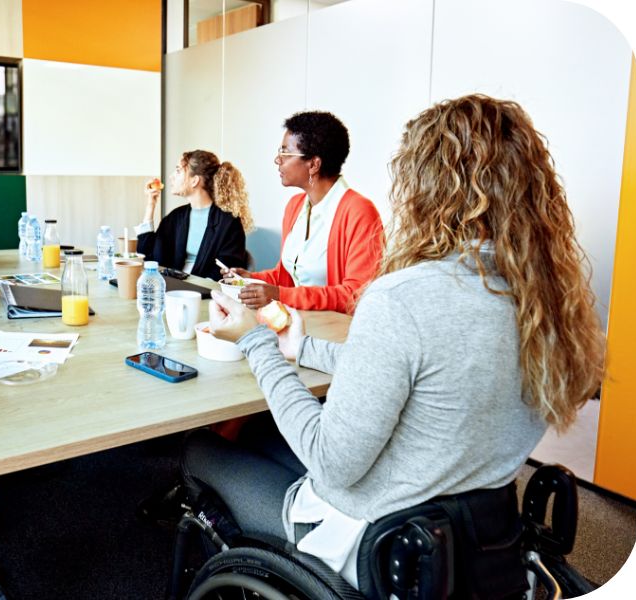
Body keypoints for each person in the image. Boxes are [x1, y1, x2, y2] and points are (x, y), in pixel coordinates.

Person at [186, 94, 605, 588]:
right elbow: (425, 373)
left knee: (200, 449)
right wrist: (303, 350)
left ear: (427, 186)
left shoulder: (403, 296)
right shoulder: (549, 300)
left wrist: (256, 340)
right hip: (471, 536)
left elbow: (331, 464)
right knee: (261, 434)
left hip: (373, 540)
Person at [222, 111, 383, 313]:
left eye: (285, 153)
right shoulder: (295, 206)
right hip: (295, 324)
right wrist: (250, 279)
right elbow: (287, 277)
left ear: (314, 164)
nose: (277, 160)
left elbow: (356, 294)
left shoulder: (359, 212)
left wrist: (279, 295)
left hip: (334, 334)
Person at [137, 150, 252, 281]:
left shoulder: (228, 223)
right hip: (171, 289)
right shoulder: (175, 218)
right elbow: (147, 258)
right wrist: (151, 204)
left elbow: (225, 274)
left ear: (194, 181)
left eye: (178, 171)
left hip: (205, 295)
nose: (171, 176)